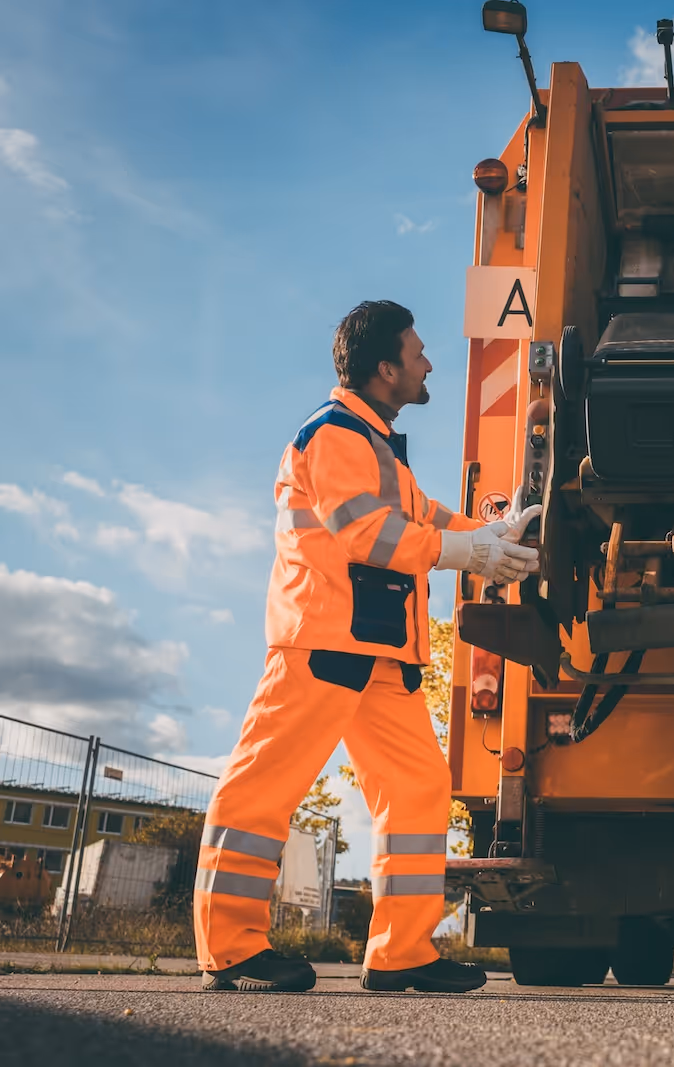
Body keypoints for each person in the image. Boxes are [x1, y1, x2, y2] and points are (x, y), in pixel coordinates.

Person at [195, 300, 540, 993]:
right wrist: (466, 552)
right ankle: (229, 949)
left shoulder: (376, 446)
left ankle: (401, 952)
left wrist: (490, 535)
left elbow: (424, 517)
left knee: (418, 790)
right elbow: (367, 535)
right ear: (386, 368)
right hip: (320, 645)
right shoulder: (333, 436)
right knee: (262, 789)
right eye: (417, 353)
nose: (428, 364)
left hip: (378, 654)